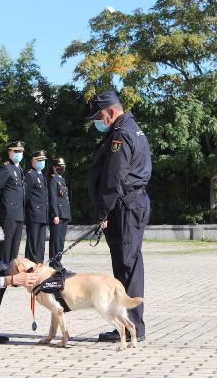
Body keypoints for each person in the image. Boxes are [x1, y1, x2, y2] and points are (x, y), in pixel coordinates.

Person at [86, 90, 152, 342]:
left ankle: (132, 326)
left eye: (98, 117)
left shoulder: (121, 134)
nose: (97, 122)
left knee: (127, 266)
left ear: (111, 112)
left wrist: (101, 213)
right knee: (128, 264)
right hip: (131, 203)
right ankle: (130, 324)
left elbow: (114, 178)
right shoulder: (133, 129)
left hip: (125, 205)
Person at [0, 140, 26, 264]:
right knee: (6, 244)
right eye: (15, 151)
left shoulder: (19, 169)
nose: (18, 153)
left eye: (20, 151)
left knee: (15, 244)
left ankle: (12, 269)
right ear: (9, 152)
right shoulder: (5, 168)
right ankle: (3, 270)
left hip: (19, 212)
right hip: (8, 212)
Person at [24, 150, 49, 263]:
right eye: (39, 160)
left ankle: (39, 263)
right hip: (33, 214)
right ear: (32, 161)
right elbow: (26, 196)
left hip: (43, 214)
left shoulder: (41, 175)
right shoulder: (30, 175)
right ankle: (31, 264)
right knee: (33, 242)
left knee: (40, 243)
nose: (41, 162)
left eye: (43, 160)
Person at [47, 157, 71, 270]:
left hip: (64, 214)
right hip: (58, 215)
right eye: (59, 166)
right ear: (54, 167)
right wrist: (55, 214)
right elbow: (53, 199)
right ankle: (54, 262)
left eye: (63, 166)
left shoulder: (62, 179)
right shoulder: (53, 180)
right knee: (56, 240)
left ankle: (58, 261)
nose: (61, 168)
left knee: (61, 241)